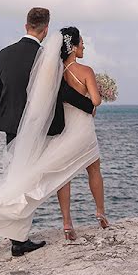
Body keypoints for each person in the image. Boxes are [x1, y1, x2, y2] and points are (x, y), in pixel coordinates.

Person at [0, 20, 104, 261]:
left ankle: (18, 238)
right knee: (34, 178)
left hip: (13, 127)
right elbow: (60, 92)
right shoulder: (46, 56)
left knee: (21, 177)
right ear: (45, 30)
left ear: (27, 24)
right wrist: (90, 104)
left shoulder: (4, 54)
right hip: (39, 129)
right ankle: (0, 220)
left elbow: (1, 88)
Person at [56, 27, 109, 240]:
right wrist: (100, 94)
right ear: (74, 46)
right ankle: (100, 212)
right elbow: (95, 101)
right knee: (94, 169)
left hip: (64, 126)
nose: (84, 46)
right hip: (83, 126)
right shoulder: (85, 71)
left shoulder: (56, 71)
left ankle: (67, 223)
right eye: (82, 43)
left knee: (64, 175)